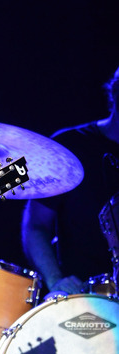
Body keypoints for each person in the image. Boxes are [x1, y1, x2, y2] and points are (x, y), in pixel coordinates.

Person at [22, 66, 119, 298]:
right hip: (82, 299)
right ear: (114, 93)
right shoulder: (71, 147)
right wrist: (56, 280)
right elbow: (36, 226)